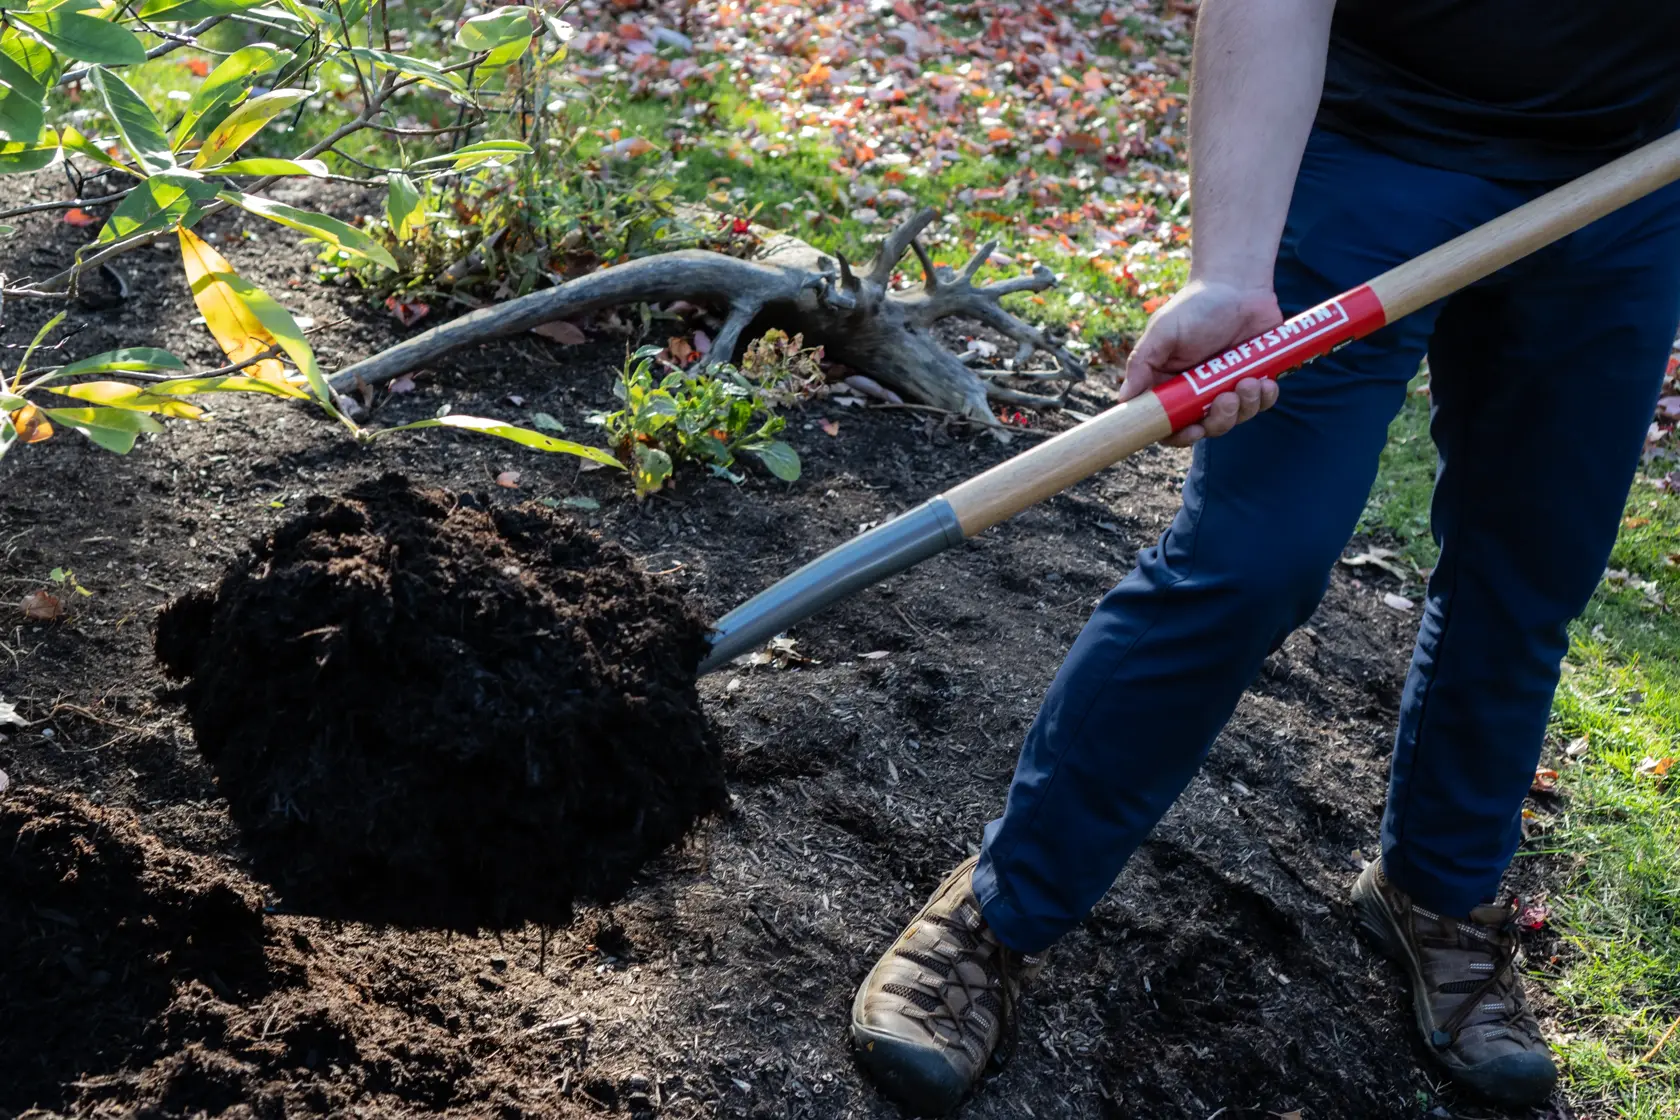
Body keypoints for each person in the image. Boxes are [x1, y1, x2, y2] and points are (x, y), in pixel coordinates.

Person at [849, 1, 1680, 1114]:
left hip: (1629, 182)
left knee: (1531, 571)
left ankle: (1438, 894)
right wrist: (1233, 269)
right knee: (1253, 557)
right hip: (1376, 149)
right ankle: (1002, 906)